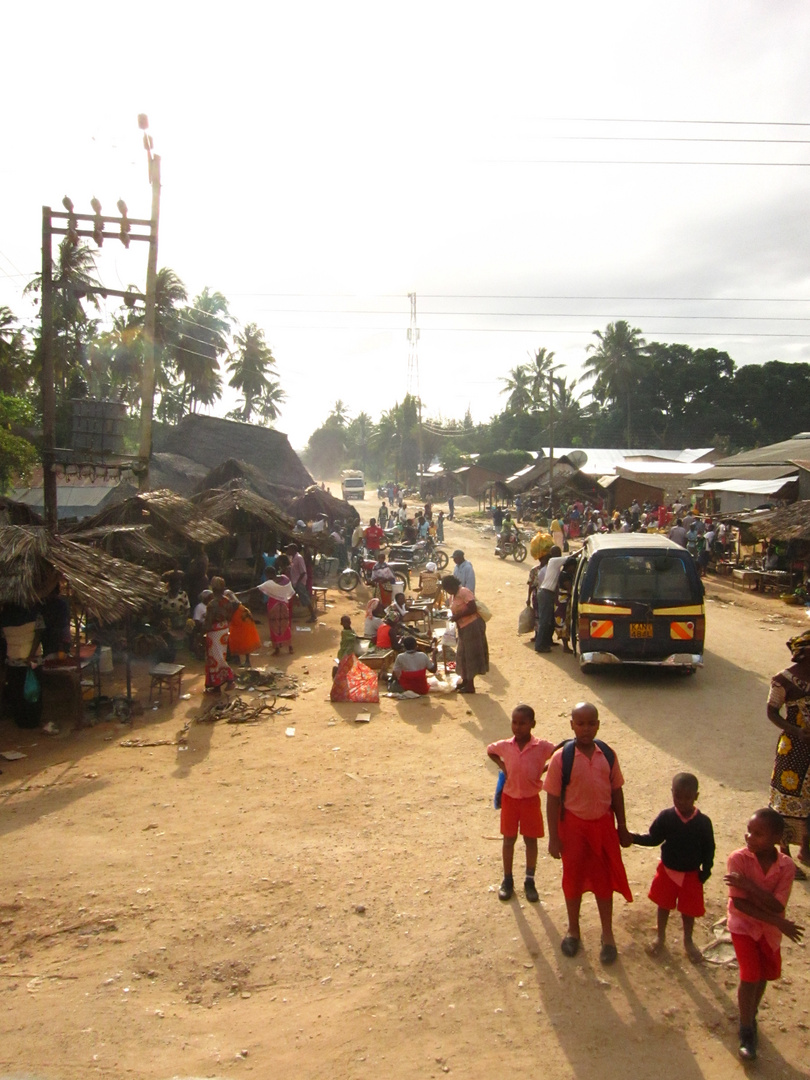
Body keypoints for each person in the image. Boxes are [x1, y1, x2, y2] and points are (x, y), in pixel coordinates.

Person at [544, 702, 632, 965]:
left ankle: (607, 935)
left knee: (604, 881)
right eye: (579, 723)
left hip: (603, 826)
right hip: (573, 828)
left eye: (590, 723)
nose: (585, 728)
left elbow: (616, 791)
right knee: (573, 879)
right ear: (571, 725)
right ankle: (573, 930)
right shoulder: (562, 759)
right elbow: (552, 799)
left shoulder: (607, 754)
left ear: (598, 725)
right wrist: (553, 837)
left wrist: (622, 826)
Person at [725, 807, 804, 1061]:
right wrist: (778, 922)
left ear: (777, 839)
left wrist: (748, 885)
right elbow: (739, 905)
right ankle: (747, 1030)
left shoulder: (786, 867)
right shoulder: (738, 859)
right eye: (749, 831)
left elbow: (778, 905)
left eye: (758, 834)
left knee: (765, 976)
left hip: (769, 931)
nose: (749, 837)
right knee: (750, 975)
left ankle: (751, 1012)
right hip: (743, 926)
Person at [630, 772, 715, 962]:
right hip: (667, 871)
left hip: (692, 874)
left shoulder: (703, 823)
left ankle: (688, 941)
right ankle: (660, 936)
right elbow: (653, 839)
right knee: (663, 905)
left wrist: (706, 871)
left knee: (688, 910)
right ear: (672, 793)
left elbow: (709, 848)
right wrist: (632, 838)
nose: (682, 801)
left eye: (687, 797)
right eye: (678, 796)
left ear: (696, 797)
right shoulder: (666, 817)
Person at [487, 704, 556, 903]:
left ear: (532, 724)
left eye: (523, 723)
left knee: (530, 840)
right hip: (510, 799)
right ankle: (507, 880)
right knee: (508, 840)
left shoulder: (541, 746)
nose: (518, 727)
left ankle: (529, 880)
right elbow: (490, 750)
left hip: (530, 800)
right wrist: (502, 765)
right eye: (515, 723)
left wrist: (545, 769)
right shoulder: (505, 745)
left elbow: (558, 754)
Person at [766, 630, 810, 878]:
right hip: (793, 750)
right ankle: (784, 856)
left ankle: (805, 848)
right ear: (804, 654)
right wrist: (796, 731)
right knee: (785, 800)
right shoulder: (783, 680)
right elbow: (771, 713)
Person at [0, 602, 45, 729]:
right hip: (32, 661)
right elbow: (39, 633)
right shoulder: (34, 613)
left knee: (18, 692)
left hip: (14, 661)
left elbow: (4, 638)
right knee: (33, 691)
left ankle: (21, 720)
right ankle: (33, 720)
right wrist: (30, 654)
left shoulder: (4, 617)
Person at [441, 575, 488, 694]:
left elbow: (472, 608)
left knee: (470, 655)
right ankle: (465, 681)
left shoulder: (464, 592)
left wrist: (458, 616)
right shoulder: (453, 596)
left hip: (472, 626)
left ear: (452, 586)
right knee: (462, 654)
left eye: (447, 589)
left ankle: (470, 685)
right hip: (463, 627)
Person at [203, 578, 239, 693]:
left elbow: (208, 622)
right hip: (224, 629)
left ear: (213, 589)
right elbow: (230, 615)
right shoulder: (227, 601)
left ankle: (229, 679)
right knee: (219, 656)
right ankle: (217, 685)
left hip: (214, 632)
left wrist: (201, 633)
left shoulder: (212, 604)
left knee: (215, 658)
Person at [257, 567, 295, 655]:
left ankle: (277, 649)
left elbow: (256, 589)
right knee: (285, 625)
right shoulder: (285, 579)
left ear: (268, 574)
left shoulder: (269, 583)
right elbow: (291, 592)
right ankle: (290, 647)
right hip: (285, 605)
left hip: (273, 606)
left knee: (274, 626)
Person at [534, 546, 565, 653]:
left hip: (547, 593)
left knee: (549, 619)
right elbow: (570, 557)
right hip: (546, 593)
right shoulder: (554, 561)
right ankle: (539, 645)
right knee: (544, 620)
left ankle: (546, 641)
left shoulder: (553, 564)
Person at [226, 591, 262, 667]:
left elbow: (229, 617)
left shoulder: (232, 605)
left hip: (241, 624)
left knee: (237, 639)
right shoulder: (239, 606)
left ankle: (241, 660)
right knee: (242, 640)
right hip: (245, 623)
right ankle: (241, 659)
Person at [286, 543, 317, 623]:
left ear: (293, 550)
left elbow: (303, 572)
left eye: (289, 549)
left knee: (305, 599)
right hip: (294, 582)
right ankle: (290, 615)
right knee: (291, 598)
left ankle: (313, 616)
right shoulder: (293, 558)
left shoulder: (299, 558)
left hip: (299, 582)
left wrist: (298, 582)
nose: (287, 551)